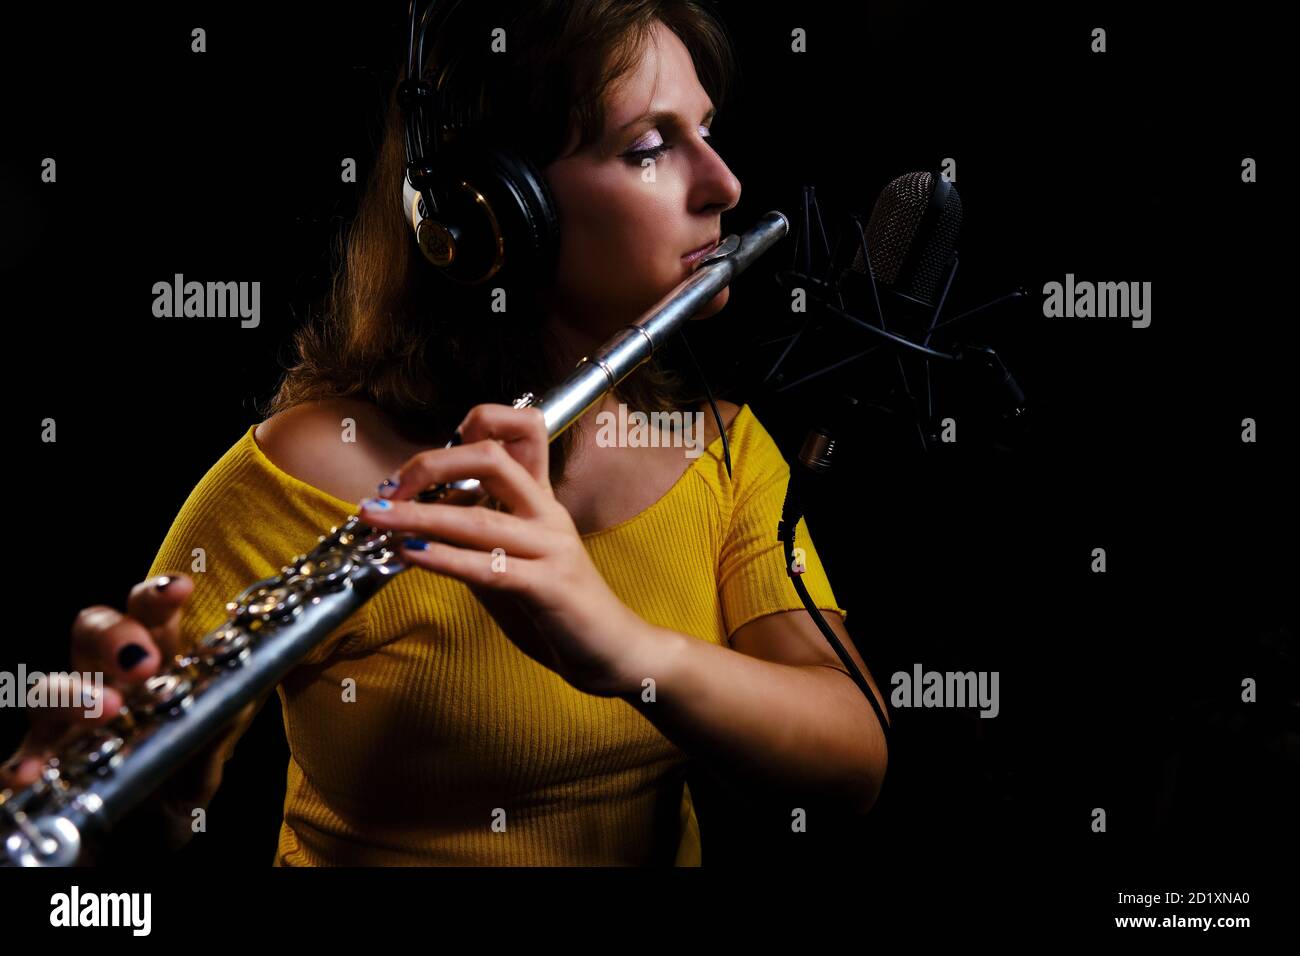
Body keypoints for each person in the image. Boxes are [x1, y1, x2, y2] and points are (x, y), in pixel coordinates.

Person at [3, 0, 888, 865]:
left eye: (707, 129)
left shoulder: (724, 451)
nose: (725, 185)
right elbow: (152, 816)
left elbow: (855, 762)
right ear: (494, 210)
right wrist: (145, 814)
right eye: (649, 148)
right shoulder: (307, 468)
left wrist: (625, 648)